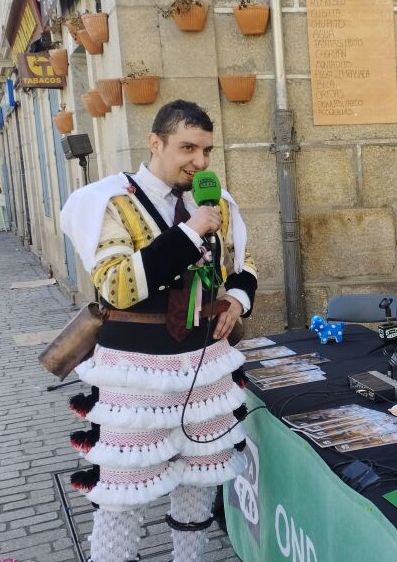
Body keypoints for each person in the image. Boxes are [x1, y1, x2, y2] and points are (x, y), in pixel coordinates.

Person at [59, 100, 258, 562]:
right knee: (122, 493)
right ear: (155, 143)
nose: (200, 162)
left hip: (204, 364)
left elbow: (243, 262)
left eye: (206, 150)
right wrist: (190, 233)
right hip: (136, 369)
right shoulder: (110, 201)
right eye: (188, 148)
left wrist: (235, 299)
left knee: (199, 481)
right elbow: (117, 285)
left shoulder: (217, 201)